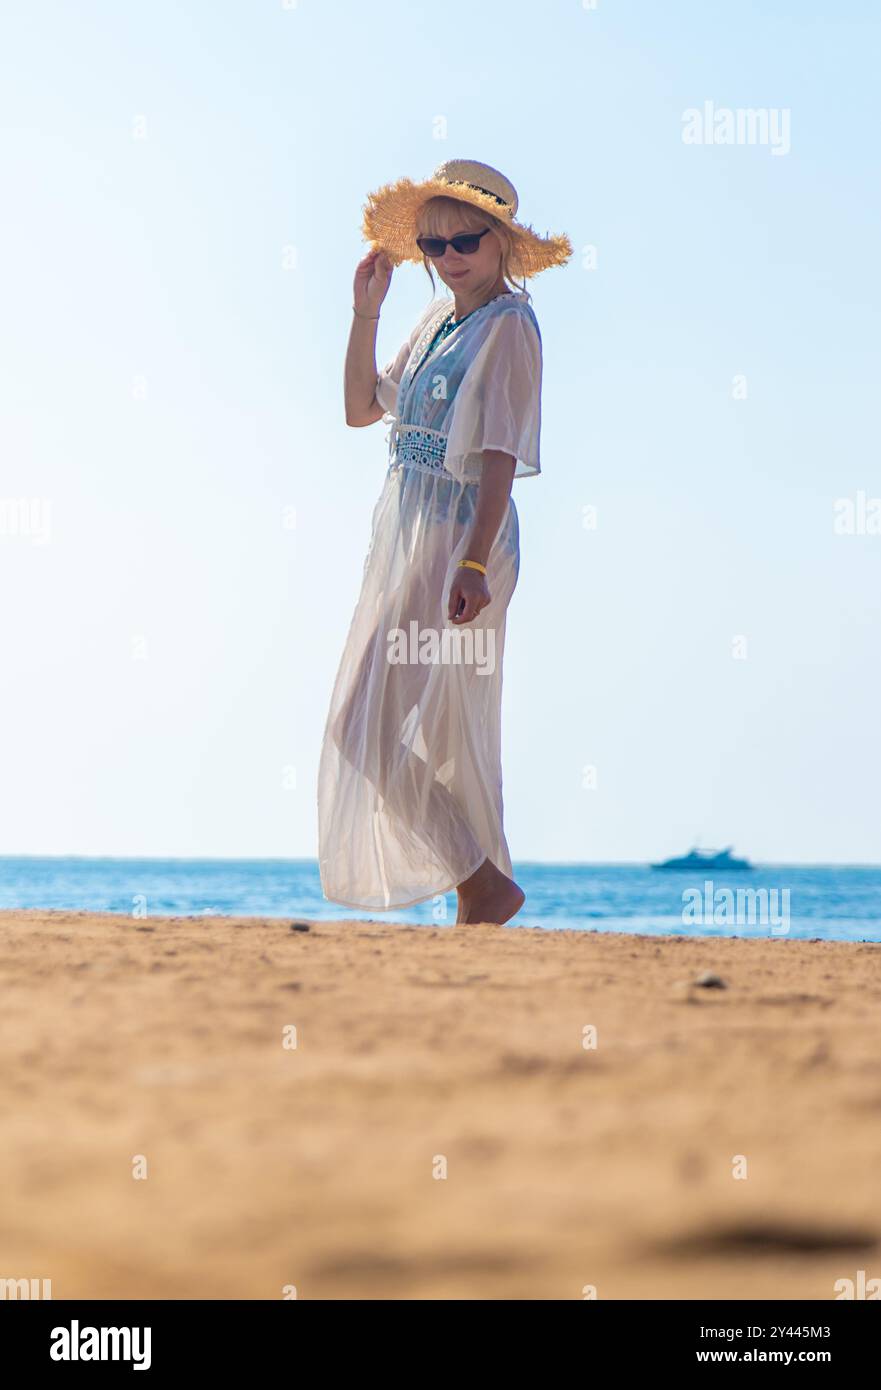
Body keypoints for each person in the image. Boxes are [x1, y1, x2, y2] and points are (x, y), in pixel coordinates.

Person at [318, 158, 571, 925]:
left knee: (371, 718)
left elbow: (499, 450)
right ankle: (480, 883)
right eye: (433, 245)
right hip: (410, 524)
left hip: (461, 534)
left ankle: (481, 883)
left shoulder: (509, 325)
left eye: (466, 238)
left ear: (500, 243)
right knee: (382, 718)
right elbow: (362, 410)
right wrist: (364, 313)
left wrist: (469, 560)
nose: (451, 254)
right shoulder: (436, 323)